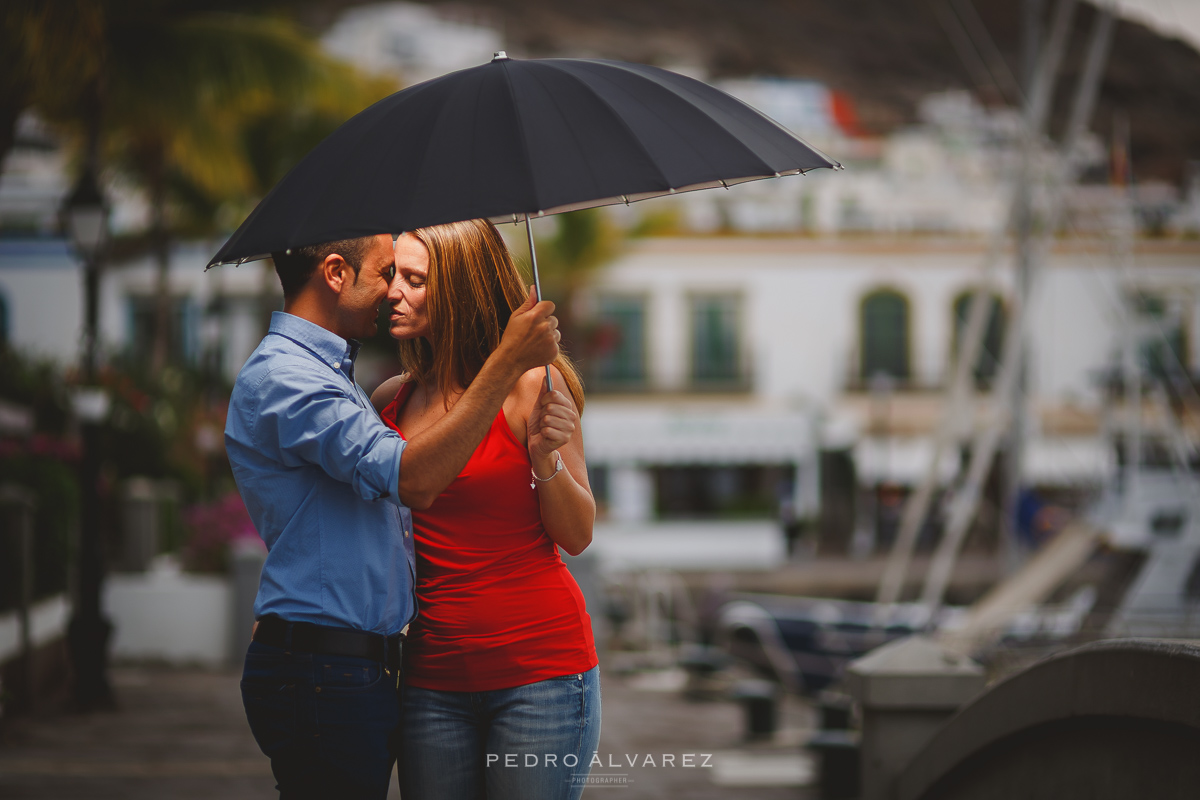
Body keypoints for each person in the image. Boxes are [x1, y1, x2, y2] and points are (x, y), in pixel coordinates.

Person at [225, 232, 561, 799]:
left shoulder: (328, 373)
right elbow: (413, 480)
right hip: (325, 672)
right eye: (385, 274)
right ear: (335, 274)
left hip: (346, 669)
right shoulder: (291, 378)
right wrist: (507, 361)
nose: (390, 293)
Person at [371, 219, 600, 800]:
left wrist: (546, 460)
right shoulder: (389, 402)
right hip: (430, 681)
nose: (392, 289)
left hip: (540, 674)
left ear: (459, 290)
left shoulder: (535, 387)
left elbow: (576, 535)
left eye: (415, 279)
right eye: (393, 274)